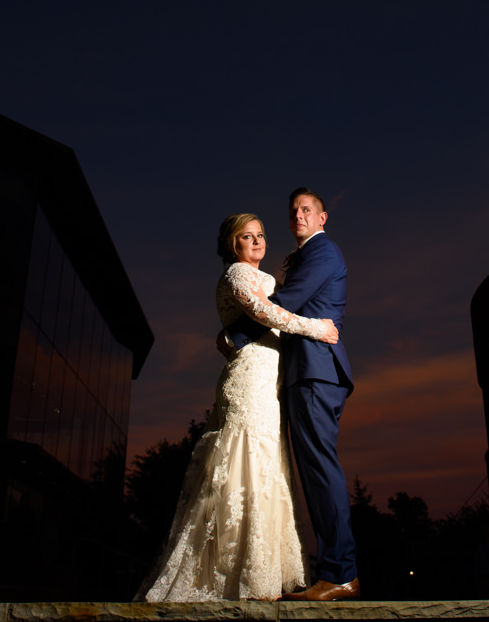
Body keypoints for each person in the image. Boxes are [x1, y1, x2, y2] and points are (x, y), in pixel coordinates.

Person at [135, 213, 339, 602]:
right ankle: (233, 574)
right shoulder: (237, 275)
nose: (258, 241)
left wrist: (232, 334)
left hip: (268, 382)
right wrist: (317, 327)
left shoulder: (260, 278)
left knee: (265, 467)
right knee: (244, 464)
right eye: (248, 236)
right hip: (247, 382)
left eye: (261, 234)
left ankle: (259, 570)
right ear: (234, 245)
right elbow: (266, 314)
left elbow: (264, 318)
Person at [226, 187, 360, 601]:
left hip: (318, 371)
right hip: (304, 373)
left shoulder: (322, 253)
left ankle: (340, 573)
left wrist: (236, 334)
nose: (298, 216)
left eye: (307, 210)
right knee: (313, 471)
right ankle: (332, 570)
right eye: (293, 211)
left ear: (322, 219)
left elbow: (287, 301)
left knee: (320, 469)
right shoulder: (305, 256)